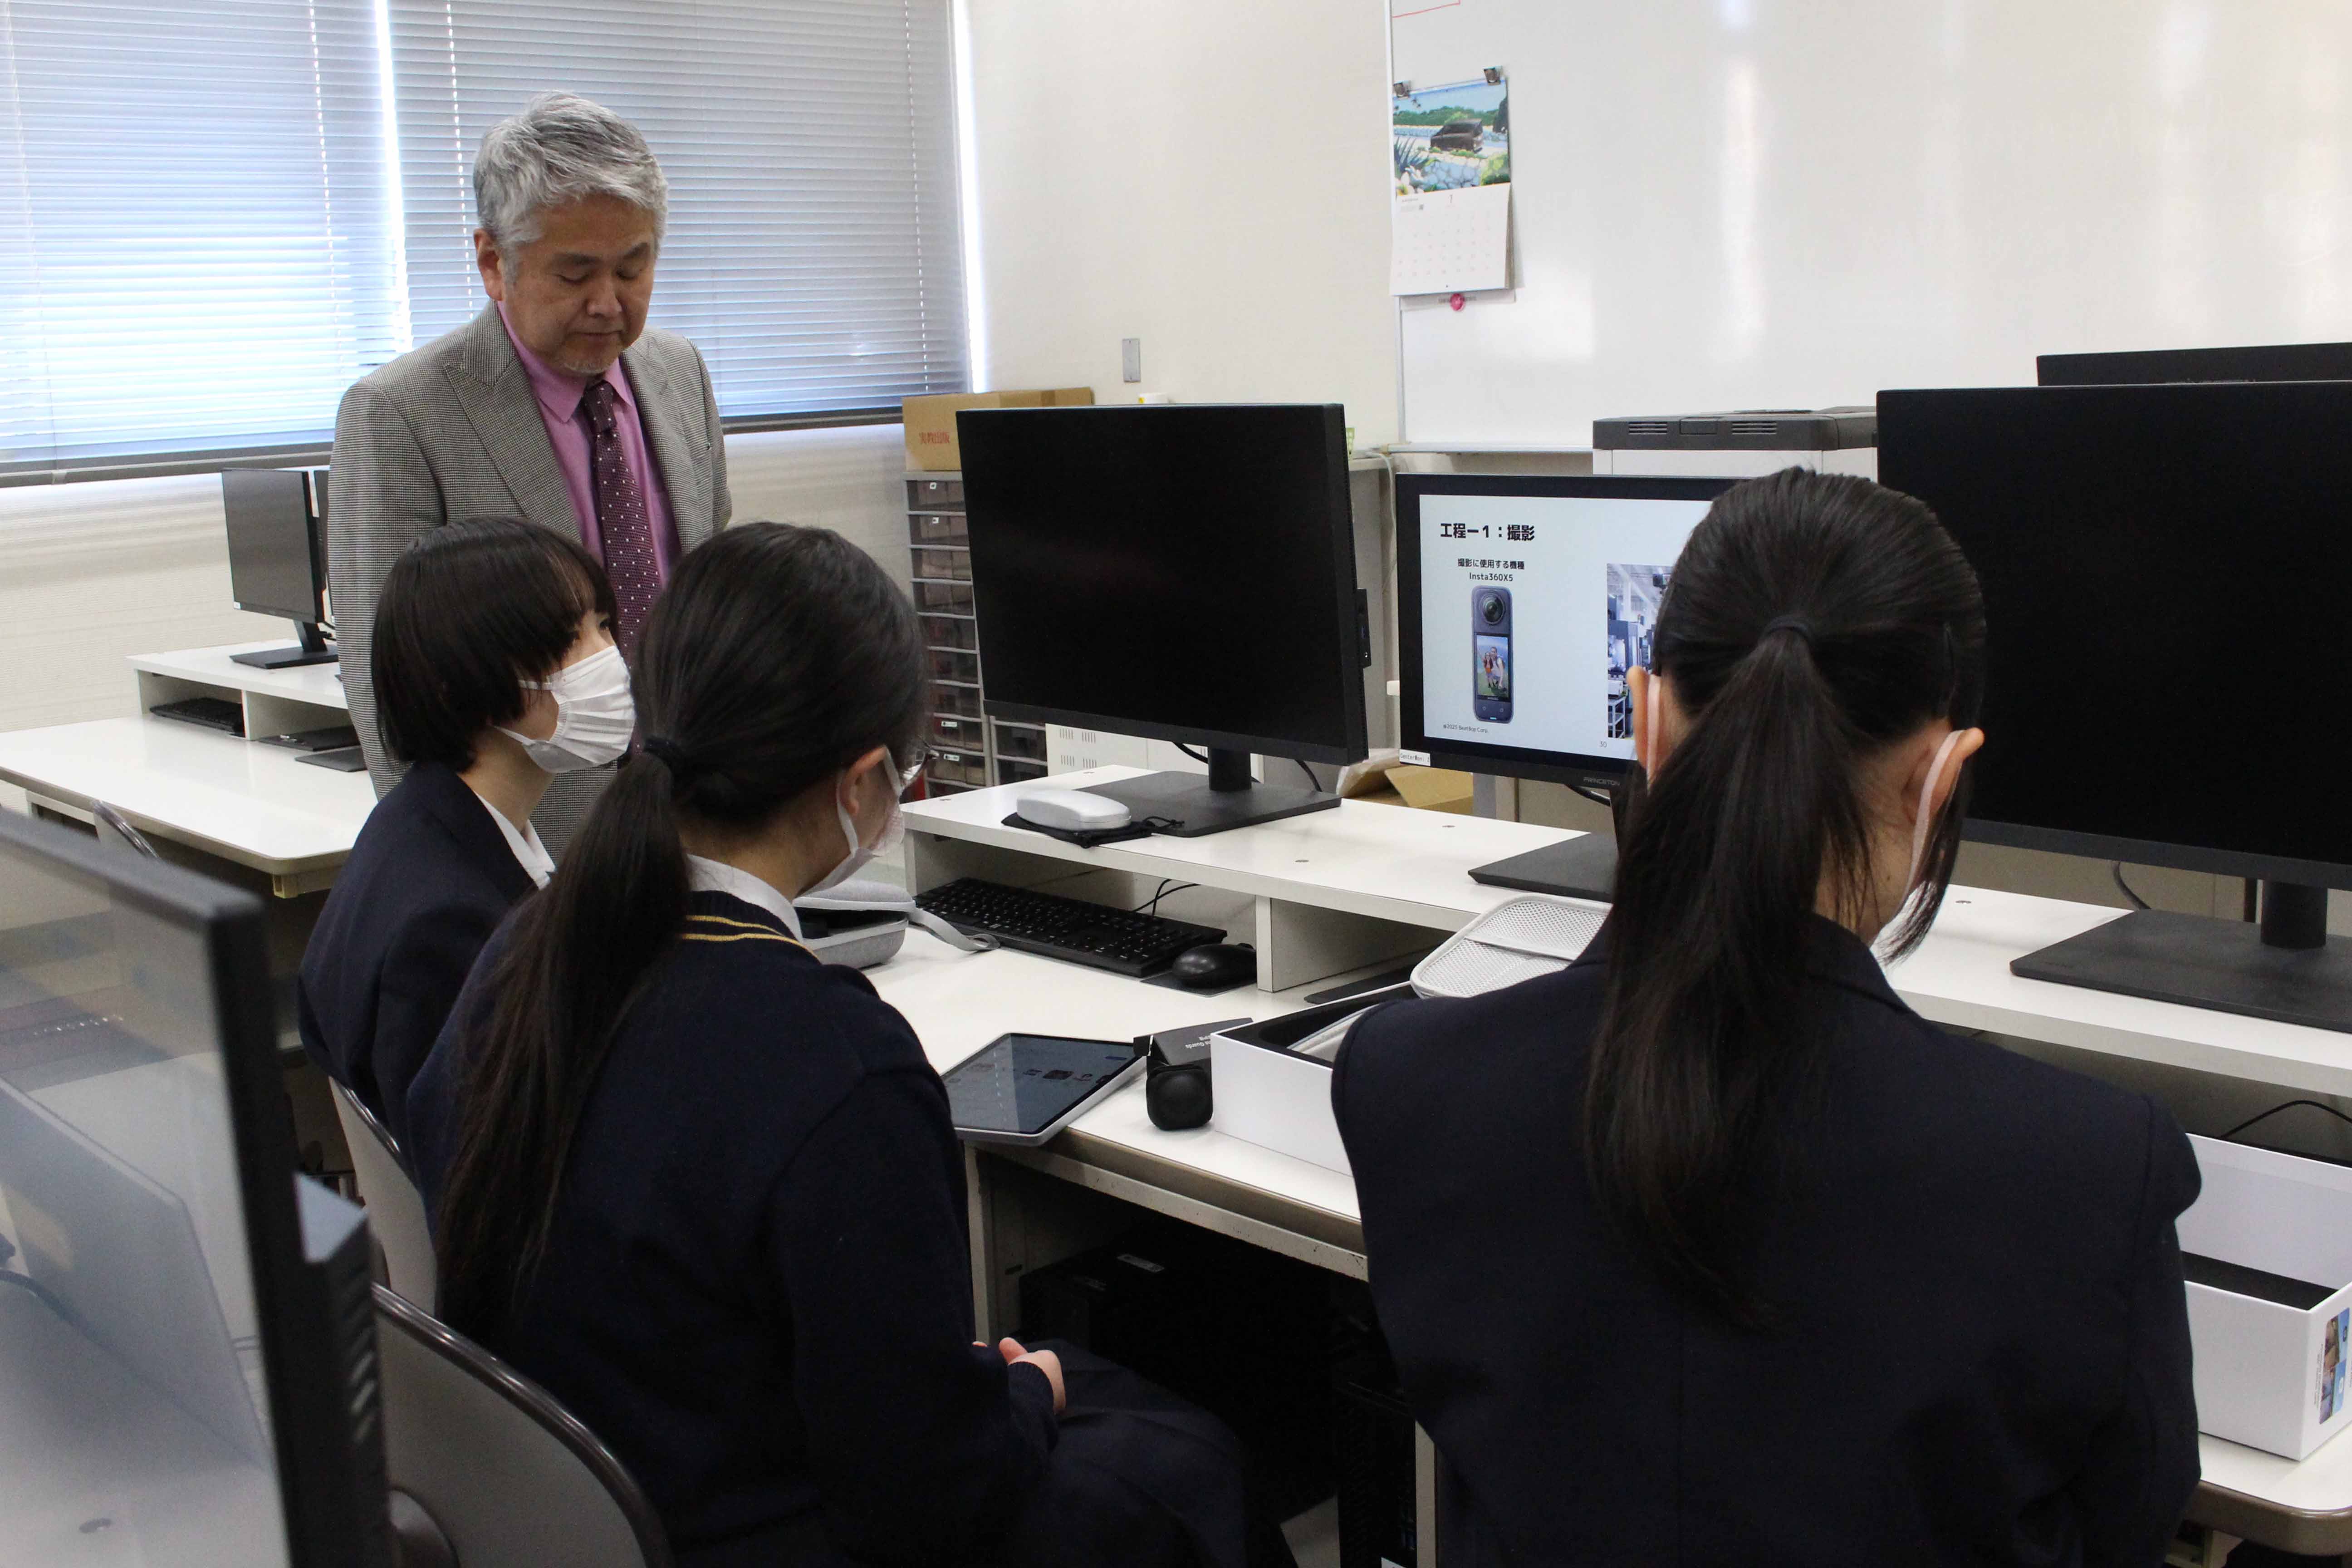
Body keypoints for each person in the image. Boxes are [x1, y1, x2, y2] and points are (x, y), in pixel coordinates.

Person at [1334, 469, 2200, 1566]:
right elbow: (2130, 1520)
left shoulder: (1402, 1076)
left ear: (1648, 725)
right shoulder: (2090, 1166)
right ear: (1940, 777)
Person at [404, 523, 1285, 1568]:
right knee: (1185, 1460)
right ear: (861, 781)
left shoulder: (526, 951)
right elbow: (931, 1498)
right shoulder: (838, 1061)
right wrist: (1019, 1394)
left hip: (598, 1499)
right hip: (768, 1523)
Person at [329, 90, 730, 852]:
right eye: (575, 275)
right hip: (533, 837)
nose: (608, 304)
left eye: (633, 268)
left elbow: (705, 597)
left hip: (695, 808)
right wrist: (458, 861)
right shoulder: (403, 414)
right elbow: (389, 689)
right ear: (494, 262)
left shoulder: (679, 372)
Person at [298, 519, 624, 1152]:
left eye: (604, 626)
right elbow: (495, 1163)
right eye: (569, 640)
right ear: (461, 683)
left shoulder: (417, 822)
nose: (605, 660)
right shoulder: (449, 926)